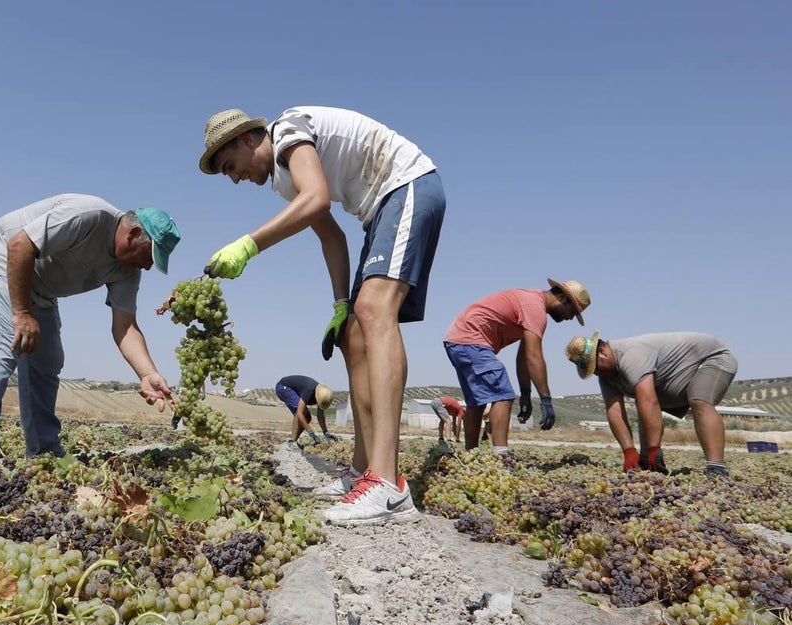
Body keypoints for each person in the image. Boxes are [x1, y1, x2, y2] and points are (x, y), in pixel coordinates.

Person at [198, 106, 445, 526]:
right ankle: (361, 471)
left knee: (375, 310)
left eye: (230, 166)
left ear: (246, 139)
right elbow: (331, 234)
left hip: (408, 185)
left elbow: (314, 200)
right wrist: (339, 305)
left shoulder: (290, 128)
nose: (234, 178)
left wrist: (248, 245)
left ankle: (389, 487)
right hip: (378, 211)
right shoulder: (283, 179)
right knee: (353, 332)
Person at [0, 195, 180, 466]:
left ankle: (43, 449)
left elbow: (125, 326)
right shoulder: (87, 215)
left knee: (47, 361)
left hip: (42, 289)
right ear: (132, 233)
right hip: (3, 260)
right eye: (148, 255)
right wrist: (22, 313)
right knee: (4, 347)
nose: (148, 266)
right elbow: (19, 245)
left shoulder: (127, 270)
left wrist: (147, 373)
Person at [442, 278, 591, 459]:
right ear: (562, 298)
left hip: (457, 341)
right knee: (503, 395)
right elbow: (535, 356)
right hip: (472, 341)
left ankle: (470, 455)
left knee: (477, 401)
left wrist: (526, 393)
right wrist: (546, 399)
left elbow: (524, 357)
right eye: (572, 312)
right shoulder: (535, 308)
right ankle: (501, 456)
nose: (569, 318)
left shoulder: (530, 304)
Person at [565, 331, 737, 477]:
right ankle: (648, 462)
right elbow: (614, 411)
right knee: (644, 406)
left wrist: (655, 448)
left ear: (602, 352)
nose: (596, 372)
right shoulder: (605, 374)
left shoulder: (631, 355)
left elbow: (650, 401)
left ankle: (716, 467)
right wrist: (629, 451)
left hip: (712, 360)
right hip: (675, 378)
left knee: (700, 400)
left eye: (595, 366)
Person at [275, 375, 337, 445]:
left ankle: (293, 441)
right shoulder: (309, 390)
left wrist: (326, 432)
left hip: (291, 389)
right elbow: (299, 413)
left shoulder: (322, 396)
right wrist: (310, 432)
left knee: (307, 418)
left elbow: (320, 415)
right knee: (301, 414)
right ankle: (291, 442)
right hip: (284, 387)